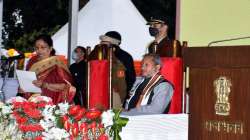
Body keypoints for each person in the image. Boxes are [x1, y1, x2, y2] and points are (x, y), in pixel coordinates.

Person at [23, 34, 75, 104]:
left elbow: (66, 86)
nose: (39, 50)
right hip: (32, 101)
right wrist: (23, 87)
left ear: (50, 48)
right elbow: (27, 79)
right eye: (36, 48)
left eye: (43, 48)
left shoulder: (57, 63)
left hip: (52, 102)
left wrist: (45, 85)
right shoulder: (32, 61)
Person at [89, 31, 136, 108]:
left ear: (113, 46)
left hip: (115, 94)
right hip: (97, 94)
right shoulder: (97, 55)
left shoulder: (124, 57)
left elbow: (129, 78)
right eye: (101, 43)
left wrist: (122, 95)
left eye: (105, 44)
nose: (101, 45)